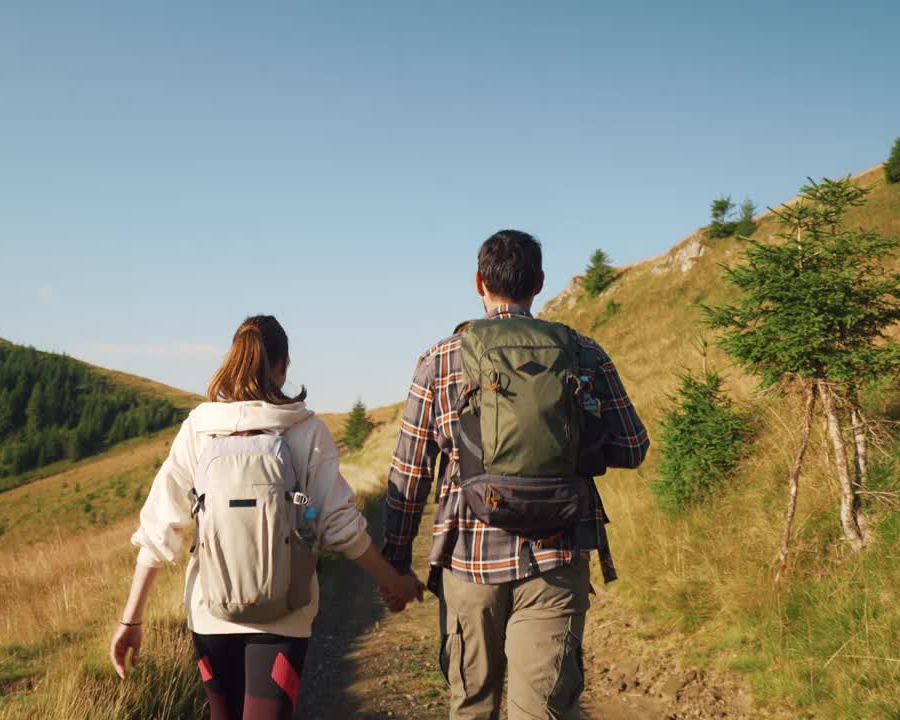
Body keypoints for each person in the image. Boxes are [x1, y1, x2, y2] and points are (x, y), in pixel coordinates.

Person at [379, 230, 649, 720]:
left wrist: (396, 564)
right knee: (542, 710)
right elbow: (633, 447)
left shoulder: (442, 359)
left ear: (479, 282)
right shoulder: (583, 352)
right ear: (539, 283)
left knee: (472, 705)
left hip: (469, 562)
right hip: (555, 558)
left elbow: (409, 473)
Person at [112, 315, 423, 720]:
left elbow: (160, 528)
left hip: (211, 613)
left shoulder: (199, 428)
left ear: (234, 360)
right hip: (285, 615)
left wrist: (131, 620)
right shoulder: (306, 430)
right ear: (284, 365)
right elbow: (341, 527)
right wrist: (393, 581)